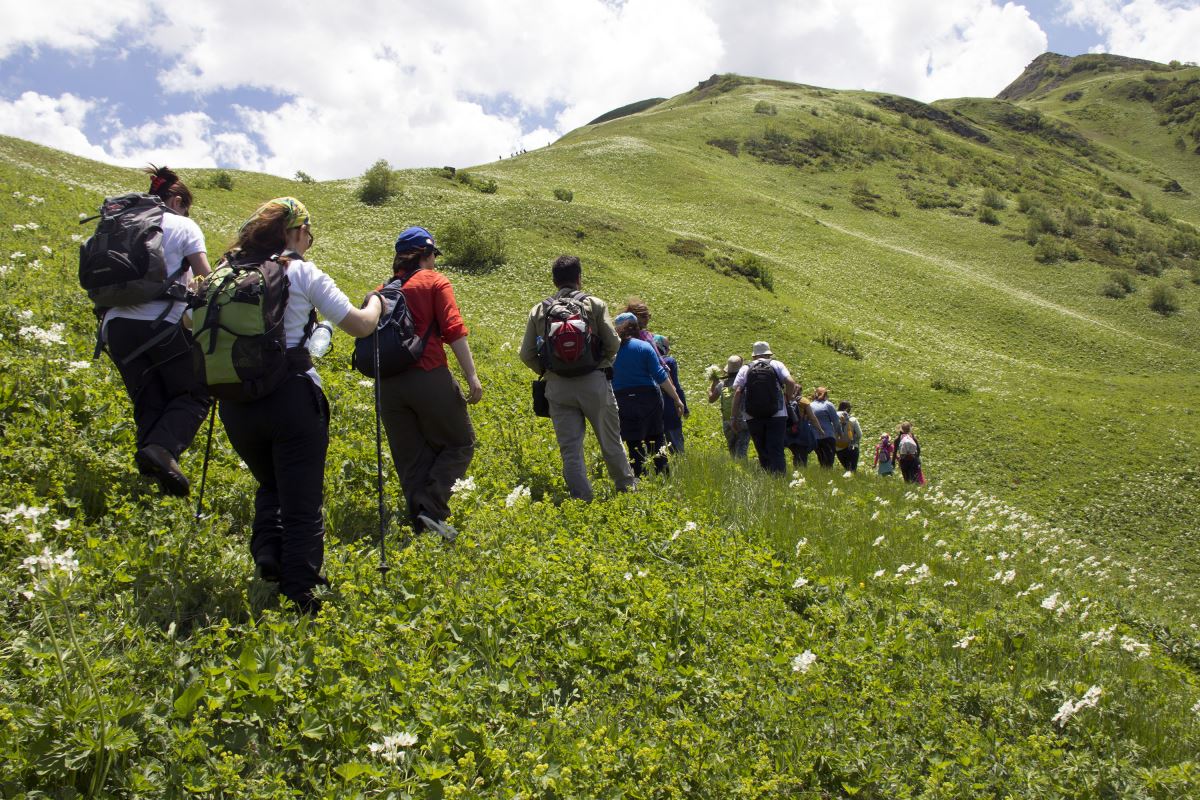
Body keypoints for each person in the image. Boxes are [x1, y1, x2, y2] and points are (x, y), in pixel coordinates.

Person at [215, 197, 382, 613]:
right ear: (295, 231)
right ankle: (301, 595)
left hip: (235, 403)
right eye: (309, 233)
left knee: (271, 482)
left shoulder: (225, 272)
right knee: (302, 501)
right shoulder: (302, 271)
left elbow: (190, 323)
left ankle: (268, 552)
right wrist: (377, 303)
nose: (309, 242)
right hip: (291, 395)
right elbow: (359, 325)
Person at [101, 165, 212, 496]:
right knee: (196, 391)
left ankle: (152, 475)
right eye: (186, 206)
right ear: (176, 201)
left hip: (115, 326)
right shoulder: (183, 225)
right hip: (160, 323)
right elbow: (206, 278)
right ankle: (162, 450)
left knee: (149, 397)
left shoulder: (122, 223)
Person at [378, 226, 482, 541]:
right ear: (425, 254)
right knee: (460, 442)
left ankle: (422, 524)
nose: (435, 262)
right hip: (428, 374)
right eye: (433, 256)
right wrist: (472, 376)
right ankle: (431, 506)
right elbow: (453, 329)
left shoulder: (381, 290)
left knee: (411, 458)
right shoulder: (435, 282)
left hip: (387, 384)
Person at [520, 255, 634, 501]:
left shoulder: (539, 310)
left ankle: (582, 500)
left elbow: (526, 353)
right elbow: (613, 342)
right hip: (594, 382)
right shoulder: (594, 304)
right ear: (580, 278)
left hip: (557, 387)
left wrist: (547, 370)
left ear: (554, 281)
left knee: (570, 450)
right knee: (610, 441)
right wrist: (601, 361)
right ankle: (626, 492)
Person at [612, 313, 685, 477]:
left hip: (622, 399)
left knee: (633, 442)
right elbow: (660, 375)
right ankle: (663, 476)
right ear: (636, 327)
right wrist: (676, 399)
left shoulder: (610, 350)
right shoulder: (644, 347)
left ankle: (638, 479)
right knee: (657, 438)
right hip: (648, 398)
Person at [730, 341, 798, 474]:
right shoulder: (777, 364)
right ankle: (779, 481)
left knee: (762, 449)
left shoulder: (745, 368)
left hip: (753, 415)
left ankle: (768, 478)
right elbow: (791, 382)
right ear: (769, 353)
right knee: (776, 449)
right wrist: (787, 398)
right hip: (777, 414)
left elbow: (738, 392)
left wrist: (733, 417)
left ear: (754, 355)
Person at [707, 355, 749, 458]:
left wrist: (711, 386)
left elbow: (711, 399)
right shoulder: (745, 383)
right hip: (743, 420)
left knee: (732, 449)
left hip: (727, 421)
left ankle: (734, 469)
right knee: (742, 449)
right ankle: (742, 470)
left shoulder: (722, 384)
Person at [653, 334, 688, 454]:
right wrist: (685, 407)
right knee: (676, 446)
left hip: (653, 409)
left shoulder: (647, 360)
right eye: (667, 348)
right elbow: (676, 386)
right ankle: (679, 468)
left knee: (657, 447)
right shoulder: (669, 361)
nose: (669, 351)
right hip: (670, 407)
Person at [785, 387, 823, 468]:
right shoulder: (803, 401)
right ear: (800, 391)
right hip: (802, 431)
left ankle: (796, 471)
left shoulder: (786, 401)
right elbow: (812, 417)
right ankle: (800, 473)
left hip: (790, 432)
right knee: (802, 455)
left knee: (796, 453)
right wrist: (820, 429)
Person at [809, 387, 842, 469]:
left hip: (816, 437)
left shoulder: (810, 405)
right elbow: (836, 421)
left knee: (821, 460)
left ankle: (824, 476)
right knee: (829, 462)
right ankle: (828, 477)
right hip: (828, 436)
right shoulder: (828, 405)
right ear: (826, 395)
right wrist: (839, 433)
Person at [835, 400, 863, 471]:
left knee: (847, 469)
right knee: (852, 470)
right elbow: (859, 434)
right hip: (852, 447)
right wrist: (853, 442)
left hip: (839, 448)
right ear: (847, 409)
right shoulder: (853, 419)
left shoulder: (834, 419)